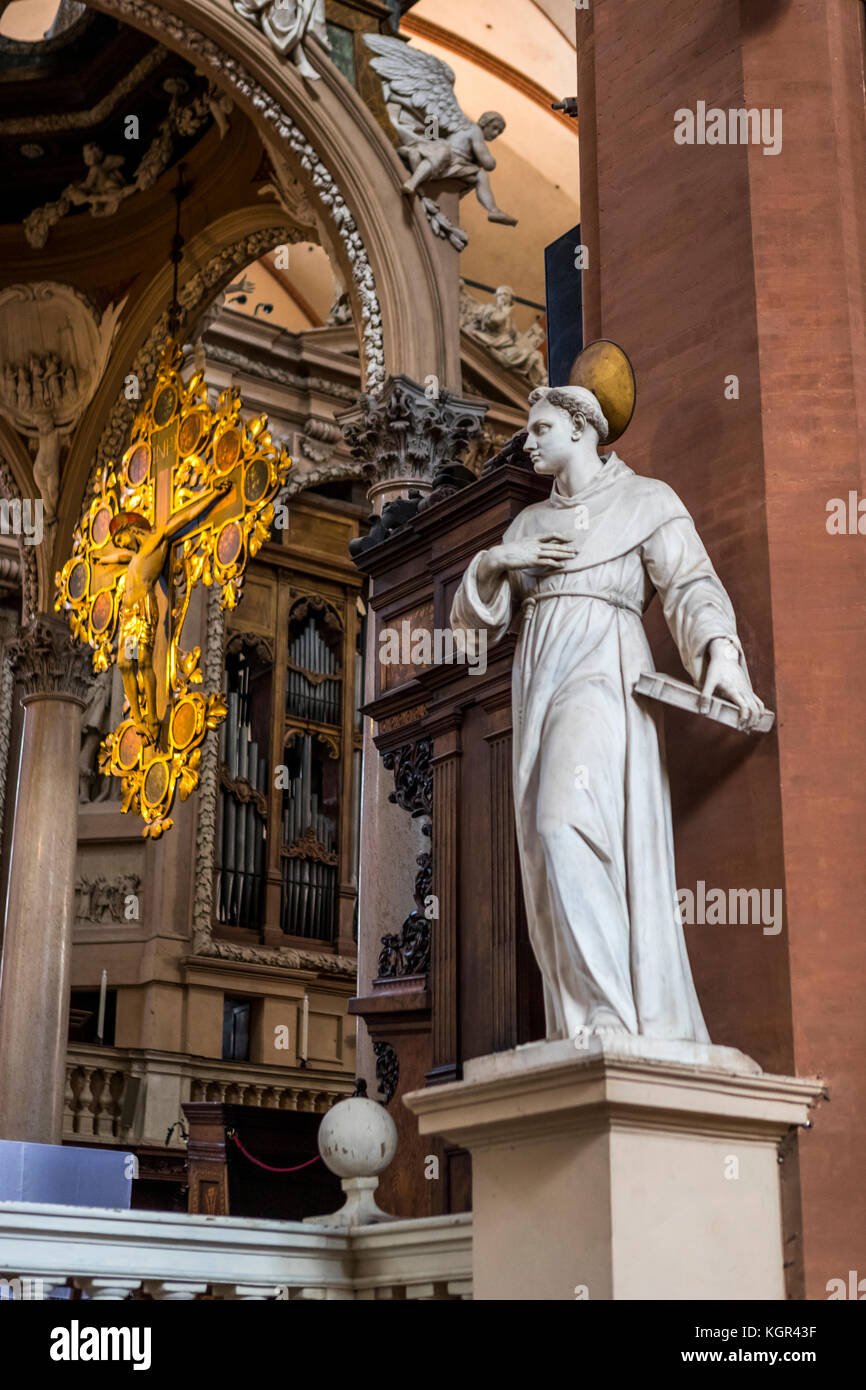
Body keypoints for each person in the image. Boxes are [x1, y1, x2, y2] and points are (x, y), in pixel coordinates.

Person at [450, 351, 765, 1043]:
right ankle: (582, 1013)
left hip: (605, 668)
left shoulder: (647, 501)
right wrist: (495, 562)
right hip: (540, 677)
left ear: (582, 427)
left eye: (539, 429)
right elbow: (467, 638)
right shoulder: (528, 527)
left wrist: (721, 657)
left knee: (565, 822)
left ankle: (608, 1011)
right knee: (541, 833)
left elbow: (691, 586)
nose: (527, 442)